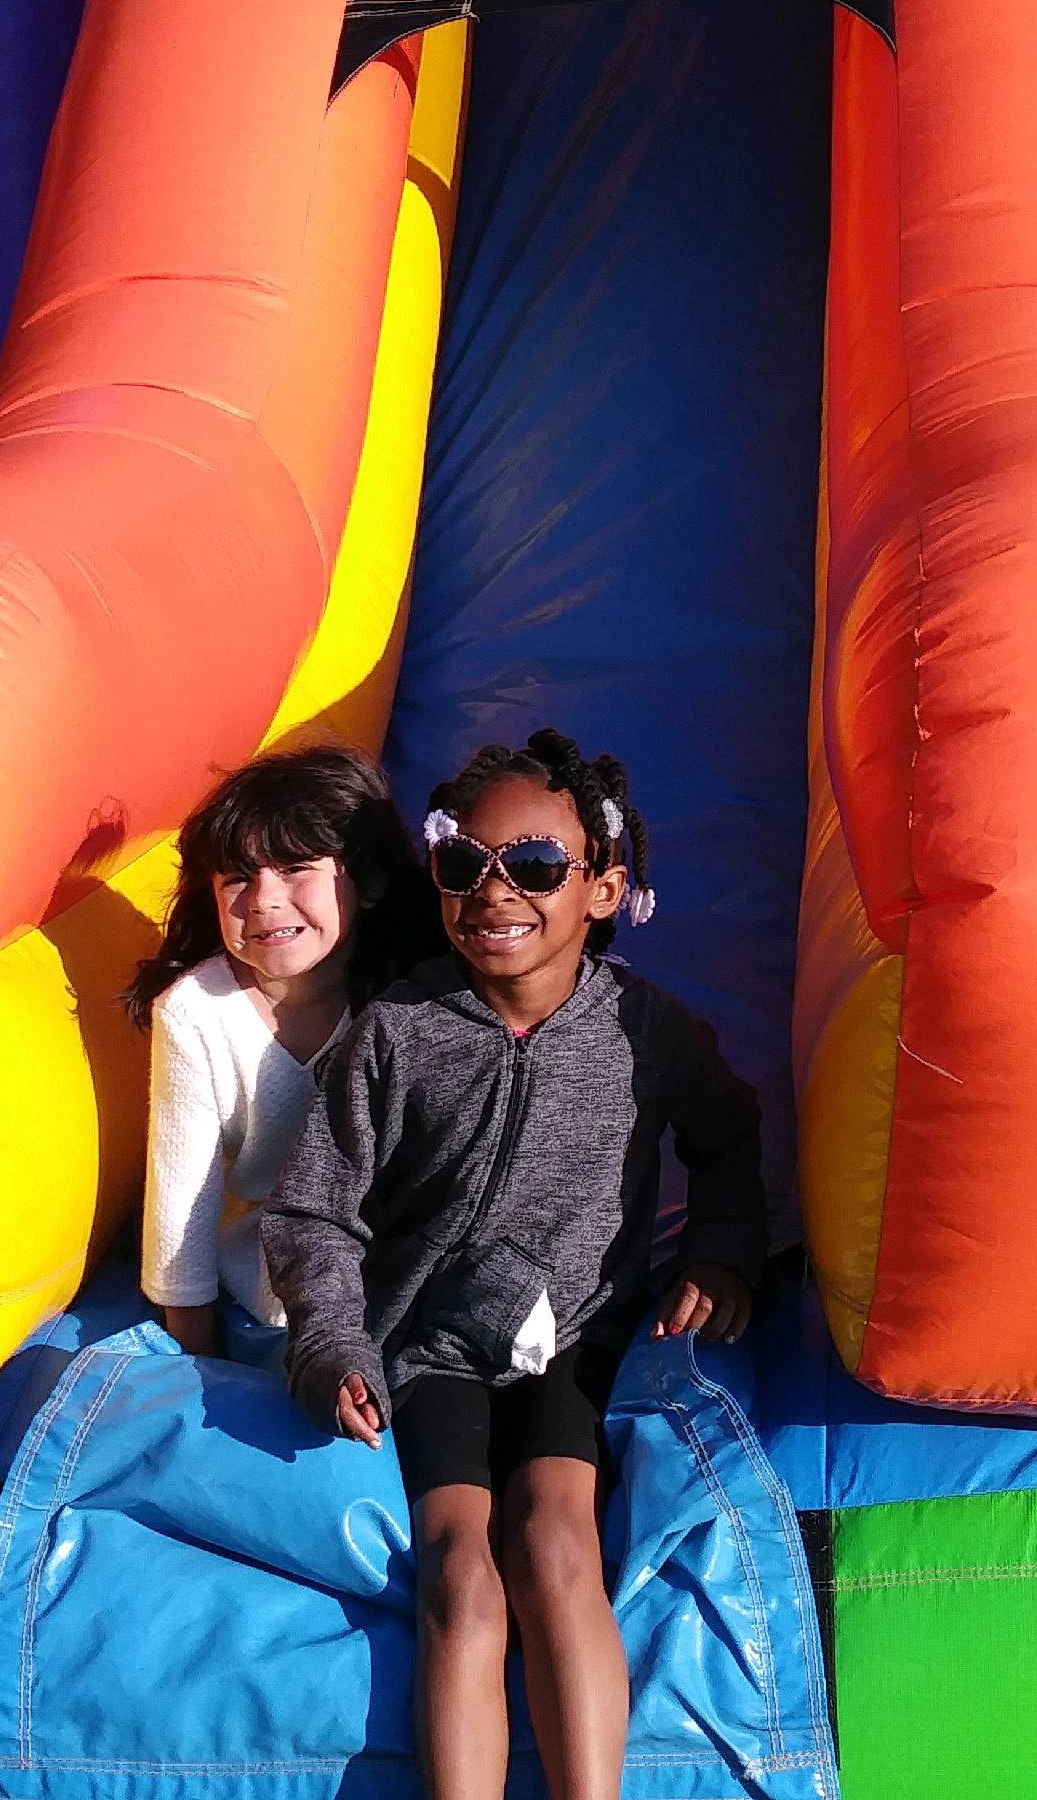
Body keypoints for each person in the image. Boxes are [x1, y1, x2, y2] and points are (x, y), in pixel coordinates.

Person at [264, 729, 765, 1800]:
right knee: (461, 1578)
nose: (496, 892)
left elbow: (726, 1137)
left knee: (556, 1547)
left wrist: (724, 1257)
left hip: (573, 1339)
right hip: (429, 1346)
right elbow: (315, 1210)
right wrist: (331, 1344)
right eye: (464, 864)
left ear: (603, 889)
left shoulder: (644, 1030)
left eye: (535, 866)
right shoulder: (398, 1031)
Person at [129, 745, 434, 1361]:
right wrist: (198, 1358)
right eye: (238, 878)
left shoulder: (413, 997)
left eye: (296, 868)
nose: (263, 899)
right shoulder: (196, 1013)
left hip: (408, 1268)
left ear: (367, 881)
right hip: (276, 1288)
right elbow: (182, 1200)